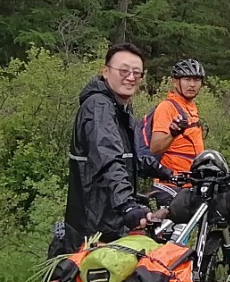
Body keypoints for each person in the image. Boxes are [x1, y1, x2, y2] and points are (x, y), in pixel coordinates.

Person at [63, 43, 165, 252]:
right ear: (106, 71)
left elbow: (129, 157)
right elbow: (108, 159)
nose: (131, 77)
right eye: (124, 71)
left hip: (110, 221)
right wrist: (127, 205)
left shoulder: (120, 108)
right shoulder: (98, 106)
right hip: (95, 227)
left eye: (137, 73)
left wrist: (165, 172)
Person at [147, 58, 207, 177]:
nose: (192, 84)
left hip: (192, 180)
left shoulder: (191, 106)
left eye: (196, 80)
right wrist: (173, 134)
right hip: (172, 182)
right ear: (175, 82)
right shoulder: (167, 107)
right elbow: (155, 148)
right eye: (187, 79)